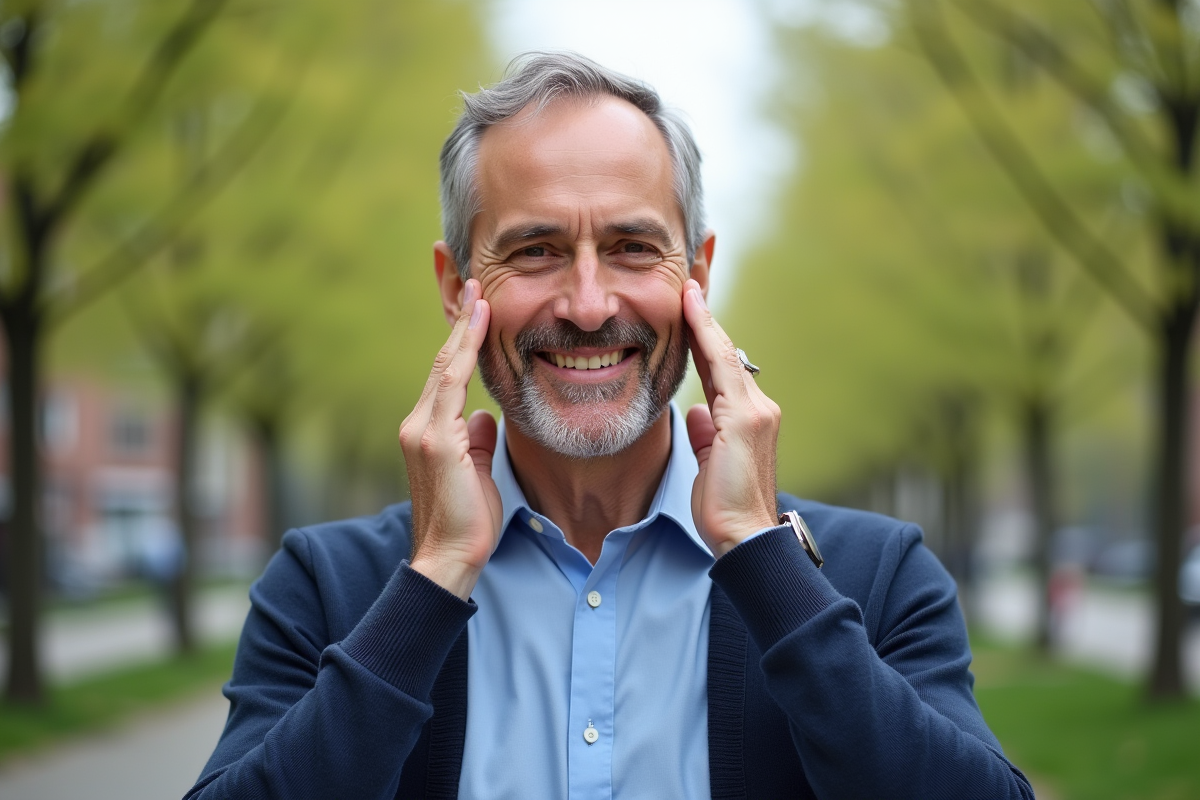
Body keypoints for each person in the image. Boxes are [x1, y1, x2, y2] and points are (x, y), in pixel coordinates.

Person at [187, 52, 1034, 800]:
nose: (589, 306)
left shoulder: (878, 578)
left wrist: (761, 557)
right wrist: (434, 578)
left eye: (633, 248)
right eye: (535, 250)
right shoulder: (326, 588)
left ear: (698, 272)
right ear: (454, 286)